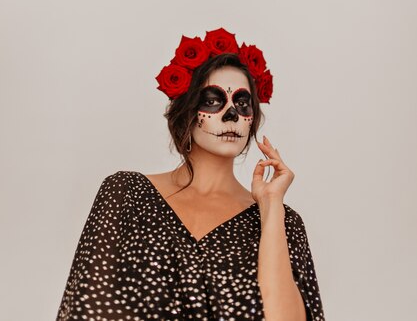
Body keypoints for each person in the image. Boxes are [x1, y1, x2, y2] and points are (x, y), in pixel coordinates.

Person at [56, 27, 325, 321]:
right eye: (213, 100)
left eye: (242, 102)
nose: (231, 114)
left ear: (252, 119)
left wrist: (272, 208)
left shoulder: (284, 223)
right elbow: (92, 305)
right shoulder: (126, 193)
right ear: (186, 111)